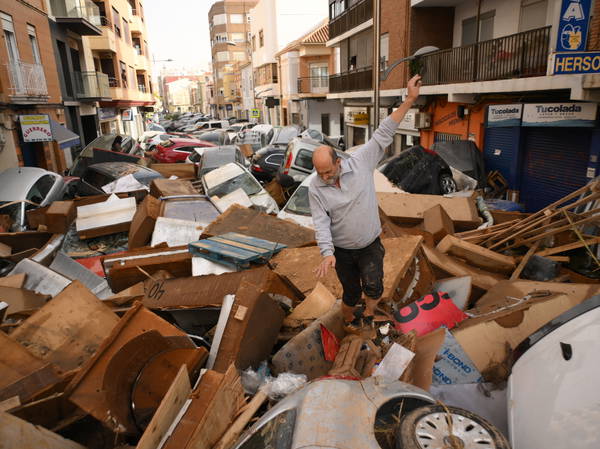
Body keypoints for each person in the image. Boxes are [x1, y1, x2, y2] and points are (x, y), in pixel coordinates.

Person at [308, 75, 422, 332]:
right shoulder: (315, 187)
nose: (324, 178)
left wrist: (410, 99)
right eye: (320, 173)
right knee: (350, 292)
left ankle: (369, 314)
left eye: (328, 171)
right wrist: (327, 253)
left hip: (370, 245)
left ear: (338, 162)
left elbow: (384, 132)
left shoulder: (360, 162)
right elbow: (321, 221)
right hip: (342, 251)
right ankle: (349, 319)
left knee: (374, 286)